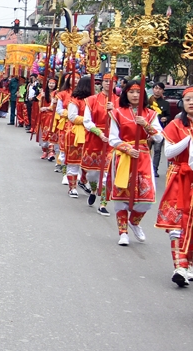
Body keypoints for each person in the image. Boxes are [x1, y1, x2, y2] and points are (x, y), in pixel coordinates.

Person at [107, 80, 164, 246]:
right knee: (121, 197)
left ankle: (134, 222)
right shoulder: (117, 113)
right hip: (124, 157)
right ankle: (123, 232)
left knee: (146, 199)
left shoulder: (150, 114)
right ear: (125, 94)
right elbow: (113, 138)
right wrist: (126, 149)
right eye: (131, 92)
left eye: (138, 92)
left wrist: (146, 125)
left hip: (144, 157)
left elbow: (160, 137)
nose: (134, 95)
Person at [157, 86, 193, 286]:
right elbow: (169, 152)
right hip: (179, 176)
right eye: (189, 99)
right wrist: (191, 139)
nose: (192, 103)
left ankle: (188, 264)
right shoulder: (176, 125)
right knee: (177, 222)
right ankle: (179, 266)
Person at [82, 74, 114, 216]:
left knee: (108, 174)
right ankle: (94, 190)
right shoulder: (92, 100)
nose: (108, 84)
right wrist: (99, 133)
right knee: (93, 174)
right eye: (106, 81)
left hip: (112, 140)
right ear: (102, 83)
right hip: (95, 138)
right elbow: (87, 121)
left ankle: (103, 203)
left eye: (111, 82)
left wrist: (114, 111)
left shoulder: (119, 102)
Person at [65, 76, 93, 199]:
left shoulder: (93, 100)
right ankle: (72, 187)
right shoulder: (75, 100)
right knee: (74, 161)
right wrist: (88, 120)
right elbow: (72, 117)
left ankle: (83, 180)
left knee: (88, 161)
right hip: (76, 133)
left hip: (90, 133)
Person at [147, 82, 171, 177]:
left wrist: (166, 118)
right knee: (146, 150)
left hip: (159, 130)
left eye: (160, 89)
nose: (157, 90)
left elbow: (169, 115)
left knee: (157, 150)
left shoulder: (165, 103)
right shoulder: (147, 101)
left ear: (162, 91)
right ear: (153, 89)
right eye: (156, 88)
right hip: (147, 129)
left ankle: (154, 169)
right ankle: (146, 168)